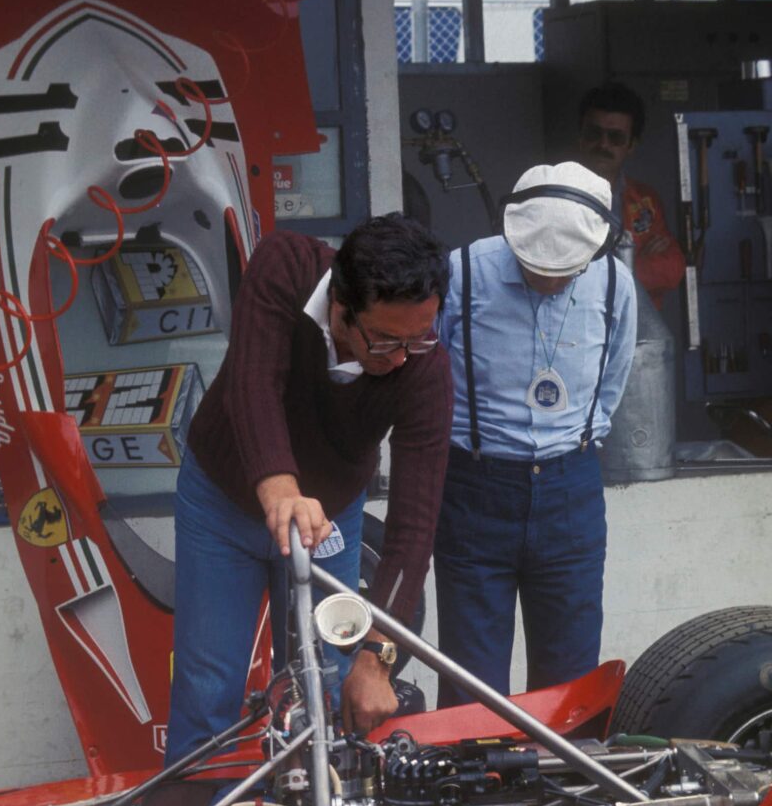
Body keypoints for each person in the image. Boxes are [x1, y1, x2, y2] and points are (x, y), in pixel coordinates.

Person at [166, 213, 452, 763]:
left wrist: (378, 656)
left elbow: (415, 524)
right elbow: (253, 384)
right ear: (342, 308)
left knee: (324, 683)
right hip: (222, 499)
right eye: (386, 339)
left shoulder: (425, 367)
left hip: (331, 516)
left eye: (419, 338)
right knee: (209, 684)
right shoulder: (285, 266)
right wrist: (279, 490)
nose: (400, 358)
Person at [434, 162, 637, 707]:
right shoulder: (463, 272)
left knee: (569, 683)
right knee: (469, 684)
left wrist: (577, 443)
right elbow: (426, 374)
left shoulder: (615, 283)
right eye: (533, 265)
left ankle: (564, 788)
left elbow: (612, 381)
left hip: (571, 489)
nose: (548, 280)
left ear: (593, 250)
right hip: (474, 487)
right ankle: (468, 787)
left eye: (564, 269)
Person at [578, 82, 685, 310]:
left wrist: (605, 275)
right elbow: (561, 278)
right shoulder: (554, 197)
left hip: (637, 331)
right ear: (581, 136)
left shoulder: (645, 200)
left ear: (631, 146)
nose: (603, 144)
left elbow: (672, 268)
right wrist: (635, 264)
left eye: (615, 137)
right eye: (594, 133)